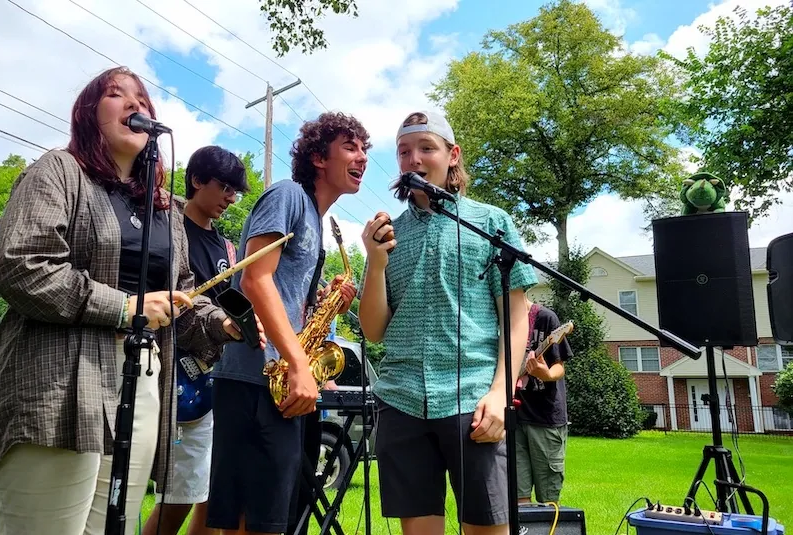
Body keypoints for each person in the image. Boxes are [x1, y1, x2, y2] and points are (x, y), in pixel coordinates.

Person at [0, 66, 264, 535]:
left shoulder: (164, 209)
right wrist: (125, 308)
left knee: (117, 527)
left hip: (144, 380)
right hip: (59, 379)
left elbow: (183, 295)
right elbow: (20, 263)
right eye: (115, 94)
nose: (135, 105)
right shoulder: (59, 170)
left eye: (143, 100)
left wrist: (221, 326)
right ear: (89, 115)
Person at [358, 110, 538, 535]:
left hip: (473, 400)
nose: (413, 160)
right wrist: (375, 262)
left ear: (452, 155)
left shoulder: (492, 223)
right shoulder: (388, 235)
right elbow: (373, 330)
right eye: (404, 152)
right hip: (401, 401)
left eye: (426, 148)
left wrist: (500, 392)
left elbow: (517, 318)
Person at [206, 112, 366, 535]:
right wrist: (298, 364)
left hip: (284, 382)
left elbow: (286, 298)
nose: (363, 157)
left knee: (273, 519)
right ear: (317, 156)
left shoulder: (314, 215)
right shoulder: (288, 195)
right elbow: (254, 280)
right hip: (255, 377)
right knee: (246, 521)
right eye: (350, 147)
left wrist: (326, 306)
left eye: (364, 148)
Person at [142, 145, 251, 535]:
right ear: (196, 180)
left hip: (217, 376)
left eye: (235, 191)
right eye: (224, 187)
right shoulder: (165, 230)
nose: (230, 198)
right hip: (174, 371)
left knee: (212, 492)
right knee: (179, 494)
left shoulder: (226, 247)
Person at [515, 296, 572, 505]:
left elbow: (559, 367)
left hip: (545, 419)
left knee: (548, 500)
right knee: (518, 495)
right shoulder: (504, 321)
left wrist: (545, 374)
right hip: (515, 418)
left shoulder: (546, 318)